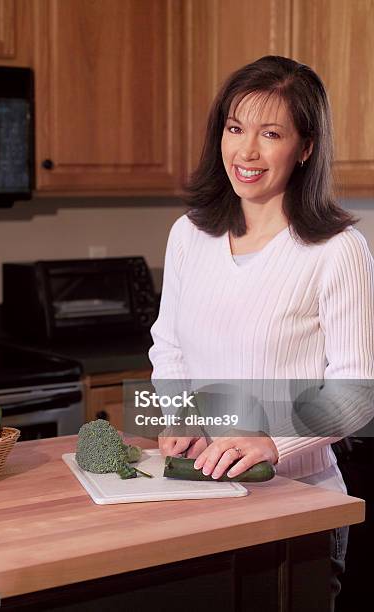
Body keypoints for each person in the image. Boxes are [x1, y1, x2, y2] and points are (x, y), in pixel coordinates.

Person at [148, 55, 374, 609]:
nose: (245, 152)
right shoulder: (188, 234)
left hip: (296, 504)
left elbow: (356, 393)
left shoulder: (337, 250)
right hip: (198, 497)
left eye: (269, 133)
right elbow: (169, 343)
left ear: (305, 147)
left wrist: (272, 440)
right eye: (234, 128)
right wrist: (178, 413)